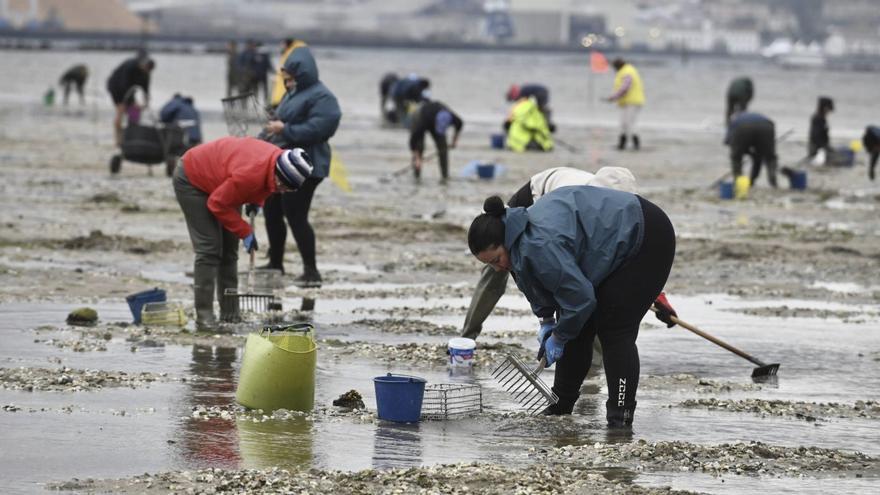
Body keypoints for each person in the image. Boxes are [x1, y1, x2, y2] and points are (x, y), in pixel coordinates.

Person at [467, 187, 676, 427]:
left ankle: (621, 418)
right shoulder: (515, 240)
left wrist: (559, 335)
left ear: (505, 241)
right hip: (606, 242)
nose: (497, 268)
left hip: (645, 234)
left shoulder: (538, 245)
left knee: (615, 330)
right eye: (489, 264)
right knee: (576, 325)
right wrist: (546, 321)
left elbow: (581, 300)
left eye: (496, 260)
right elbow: (535, 284)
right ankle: (561, 406)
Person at [462, 166, 639, 341]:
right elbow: (545, 263)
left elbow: (617, 259)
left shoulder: (620, 213)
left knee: (580, 280)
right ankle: (468, 336)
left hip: (552, 225)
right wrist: (546, 319)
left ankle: (593, 357)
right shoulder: (581, 195)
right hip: (531, 204)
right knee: (503, 268)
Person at [173, 136, 313, 331]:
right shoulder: (250, 174)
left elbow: (266, 184)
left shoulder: (275, 163)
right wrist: (245, 231)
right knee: (210, 249)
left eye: (288, 189)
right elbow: (217, 203)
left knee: (230, 251)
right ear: (278, 172)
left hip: (225, 181)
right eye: (282, 185)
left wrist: (257, 201)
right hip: (193, 179)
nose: (281, 191)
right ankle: (204, 317)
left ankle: (230, 313)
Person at [261, 46, 342, 287]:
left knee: (295, 214)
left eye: (290, 78)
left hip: (308, 165)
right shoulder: (292, 94)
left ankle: (311, 270)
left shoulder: (323, 97)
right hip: (282, 163)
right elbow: (279, 121)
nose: (286, 82)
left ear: (302, 74)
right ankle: (276, 263)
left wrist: (285, 129)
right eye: (284, 79)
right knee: (271, 210)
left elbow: (323, 128)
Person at [408, 99, 463, 182]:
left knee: (443, 148)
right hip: (421, 116)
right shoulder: (422, 122)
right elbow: (413, 141)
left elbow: (460, 124)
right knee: (419, 147)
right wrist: (417, 157)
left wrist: (454, 140)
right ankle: (417, 175)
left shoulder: (452, 117)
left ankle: (445, 176)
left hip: (435, 117)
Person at [106, 55, 155, 146]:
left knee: (135, 111)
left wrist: (146, 101)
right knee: (121, 110)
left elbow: (145, 90)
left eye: (148, 71)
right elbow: (124, 85)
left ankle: (131, 137)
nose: (146, 71)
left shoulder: (146, 74)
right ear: (143, 64)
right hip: (116, 87)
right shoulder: (130, 66)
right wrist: (132, 101)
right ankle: (118, 140)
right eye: (145, 69)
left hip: (128, 90)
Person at [725, 111, 779, 187]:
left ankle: (739, 182)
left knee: (736, 157)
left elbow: (728, 141)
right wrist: (752, 152)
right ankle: (771, 180)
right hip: (767, 126)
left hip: (743, 128)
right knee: (768, 157)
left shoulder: (734, 121)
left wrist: (744, 151)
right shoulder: (753, 116)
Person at [605, 58, 645, 151]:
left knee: (629, 124)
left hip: (632, 102)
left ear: (617, 66)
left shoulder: (627, 71)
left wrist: (613, 97)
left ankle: (636, 145)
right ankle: (622, 144)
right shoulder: (627, 70)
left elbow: (625, 87)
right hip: (626, 102)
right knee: (623, 123)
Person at [270, 38, 308, 109]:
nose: (280, 46)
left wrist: (280, 75)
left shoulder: (289, 54)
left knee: (281, 101)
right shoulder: (289, 54)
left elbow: (288, 69)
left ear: (287, 44)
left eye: (282, 44)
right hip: (282, 82)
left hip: (284, 84)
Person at [808, 96, 834, 161]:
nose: (829, 112)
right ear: (824, 108)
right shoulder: (818, 119)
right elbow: (816, 136)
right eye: (829, 109)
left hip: (821, 148)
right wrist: (824, 147)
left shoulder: (822, 119)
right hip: (817, 149)